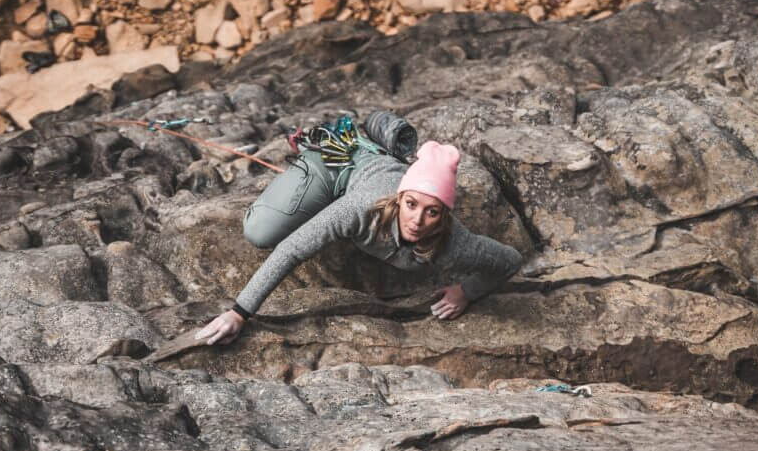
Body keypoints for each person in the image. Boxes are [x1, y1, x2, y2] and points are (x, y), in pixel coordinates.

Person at [196, 138, 523, 345]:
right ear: (399, 199)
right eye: (411, 205)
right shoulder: (359, 210)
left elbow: (509, 260)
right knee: (260, 232)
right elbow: (292, 249)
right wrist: (239, 312)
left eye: (432, 212)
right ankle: (326, 147)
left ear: (444, 215)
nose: (418, 221)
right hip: (337, 165)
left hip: (378, 173)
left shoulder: (457, 244)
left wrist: (466, 291)